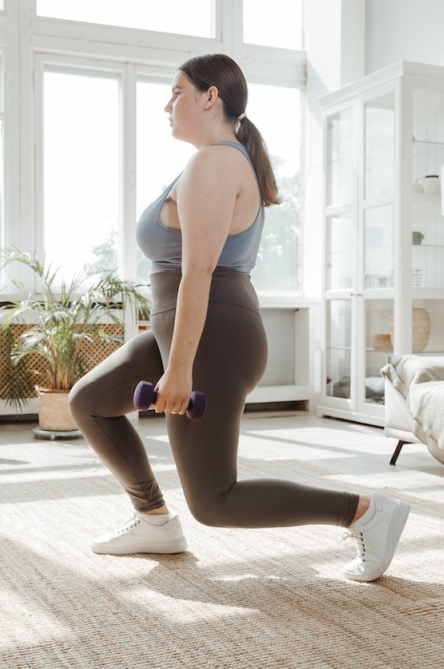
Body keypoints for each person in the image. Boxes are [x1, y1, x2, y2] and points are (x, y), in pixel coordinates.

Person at [68, 53, 409, 582]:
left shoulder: (216, 162)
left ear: (210, 97)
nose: (167, 104)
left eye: (176, 91)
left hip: (214, 337)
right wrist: (163, 340)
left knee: (215, 501)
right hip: (186, 330)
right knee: (90, 400)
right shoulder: (209, 161)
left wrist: (179, 370)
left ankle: (366, 512)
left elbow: (198, 274)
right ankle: (154, 520)